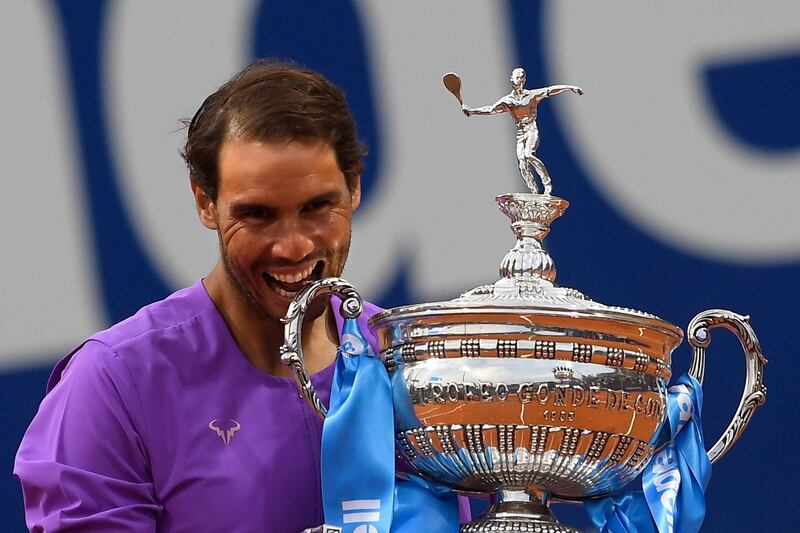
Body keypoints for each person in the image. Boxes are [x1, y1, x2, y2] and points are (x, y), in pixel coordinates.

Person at [14, 60, 385, 532]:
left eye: (317, 206)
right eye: (258, 214)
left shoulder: (410, 360)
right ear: (205, 201)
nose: (293, 246)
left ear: (354, 186)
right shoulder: (111, 386)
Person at [461, 67, 583, 195]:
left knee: (529, 154)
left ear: (524, 80)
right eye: (517, 77)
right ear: (511, 79)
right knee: (522, 164)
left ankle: (547, 184)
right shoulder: (507, 101)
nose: (519, 80)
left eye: (521, 77)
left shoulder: (532, 95)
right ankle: (534, 191)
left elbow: (550, 90)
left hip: (531, 129)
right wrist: (472, 111)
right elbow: (490, 109)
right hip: (520, 133)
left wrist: (570, 87)